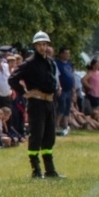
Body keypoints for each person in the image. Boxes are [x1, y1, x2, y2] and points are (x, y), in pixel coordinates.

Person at [9, 31, 63, 179]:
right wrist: (24, 93)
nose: (42, 47)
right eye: (39, 44)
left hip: (49, 102)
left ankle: (50, 170)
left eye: (44, 44)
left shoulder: (50, 62)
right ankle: (36, 170)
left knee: (49, 136)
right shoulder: (29, 63)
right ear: (35, 46)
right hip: (36, 103)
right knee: (36, 136)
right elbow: (12, 79)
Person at [54, 47, 75, 136]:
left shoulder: (69, 64)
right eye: (66, 53)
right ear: (61, 54)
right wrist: (59, 87)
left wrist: (74, 89)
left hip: (69, 90)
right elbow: (57, 76)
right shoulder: (57, 64)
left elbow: (72, 76)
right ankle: (56, 125)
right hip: (62, 89)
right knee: (61, 106)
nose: (67, 55)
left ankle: (65, 126)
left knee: (67, 108)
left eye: (68, 54)